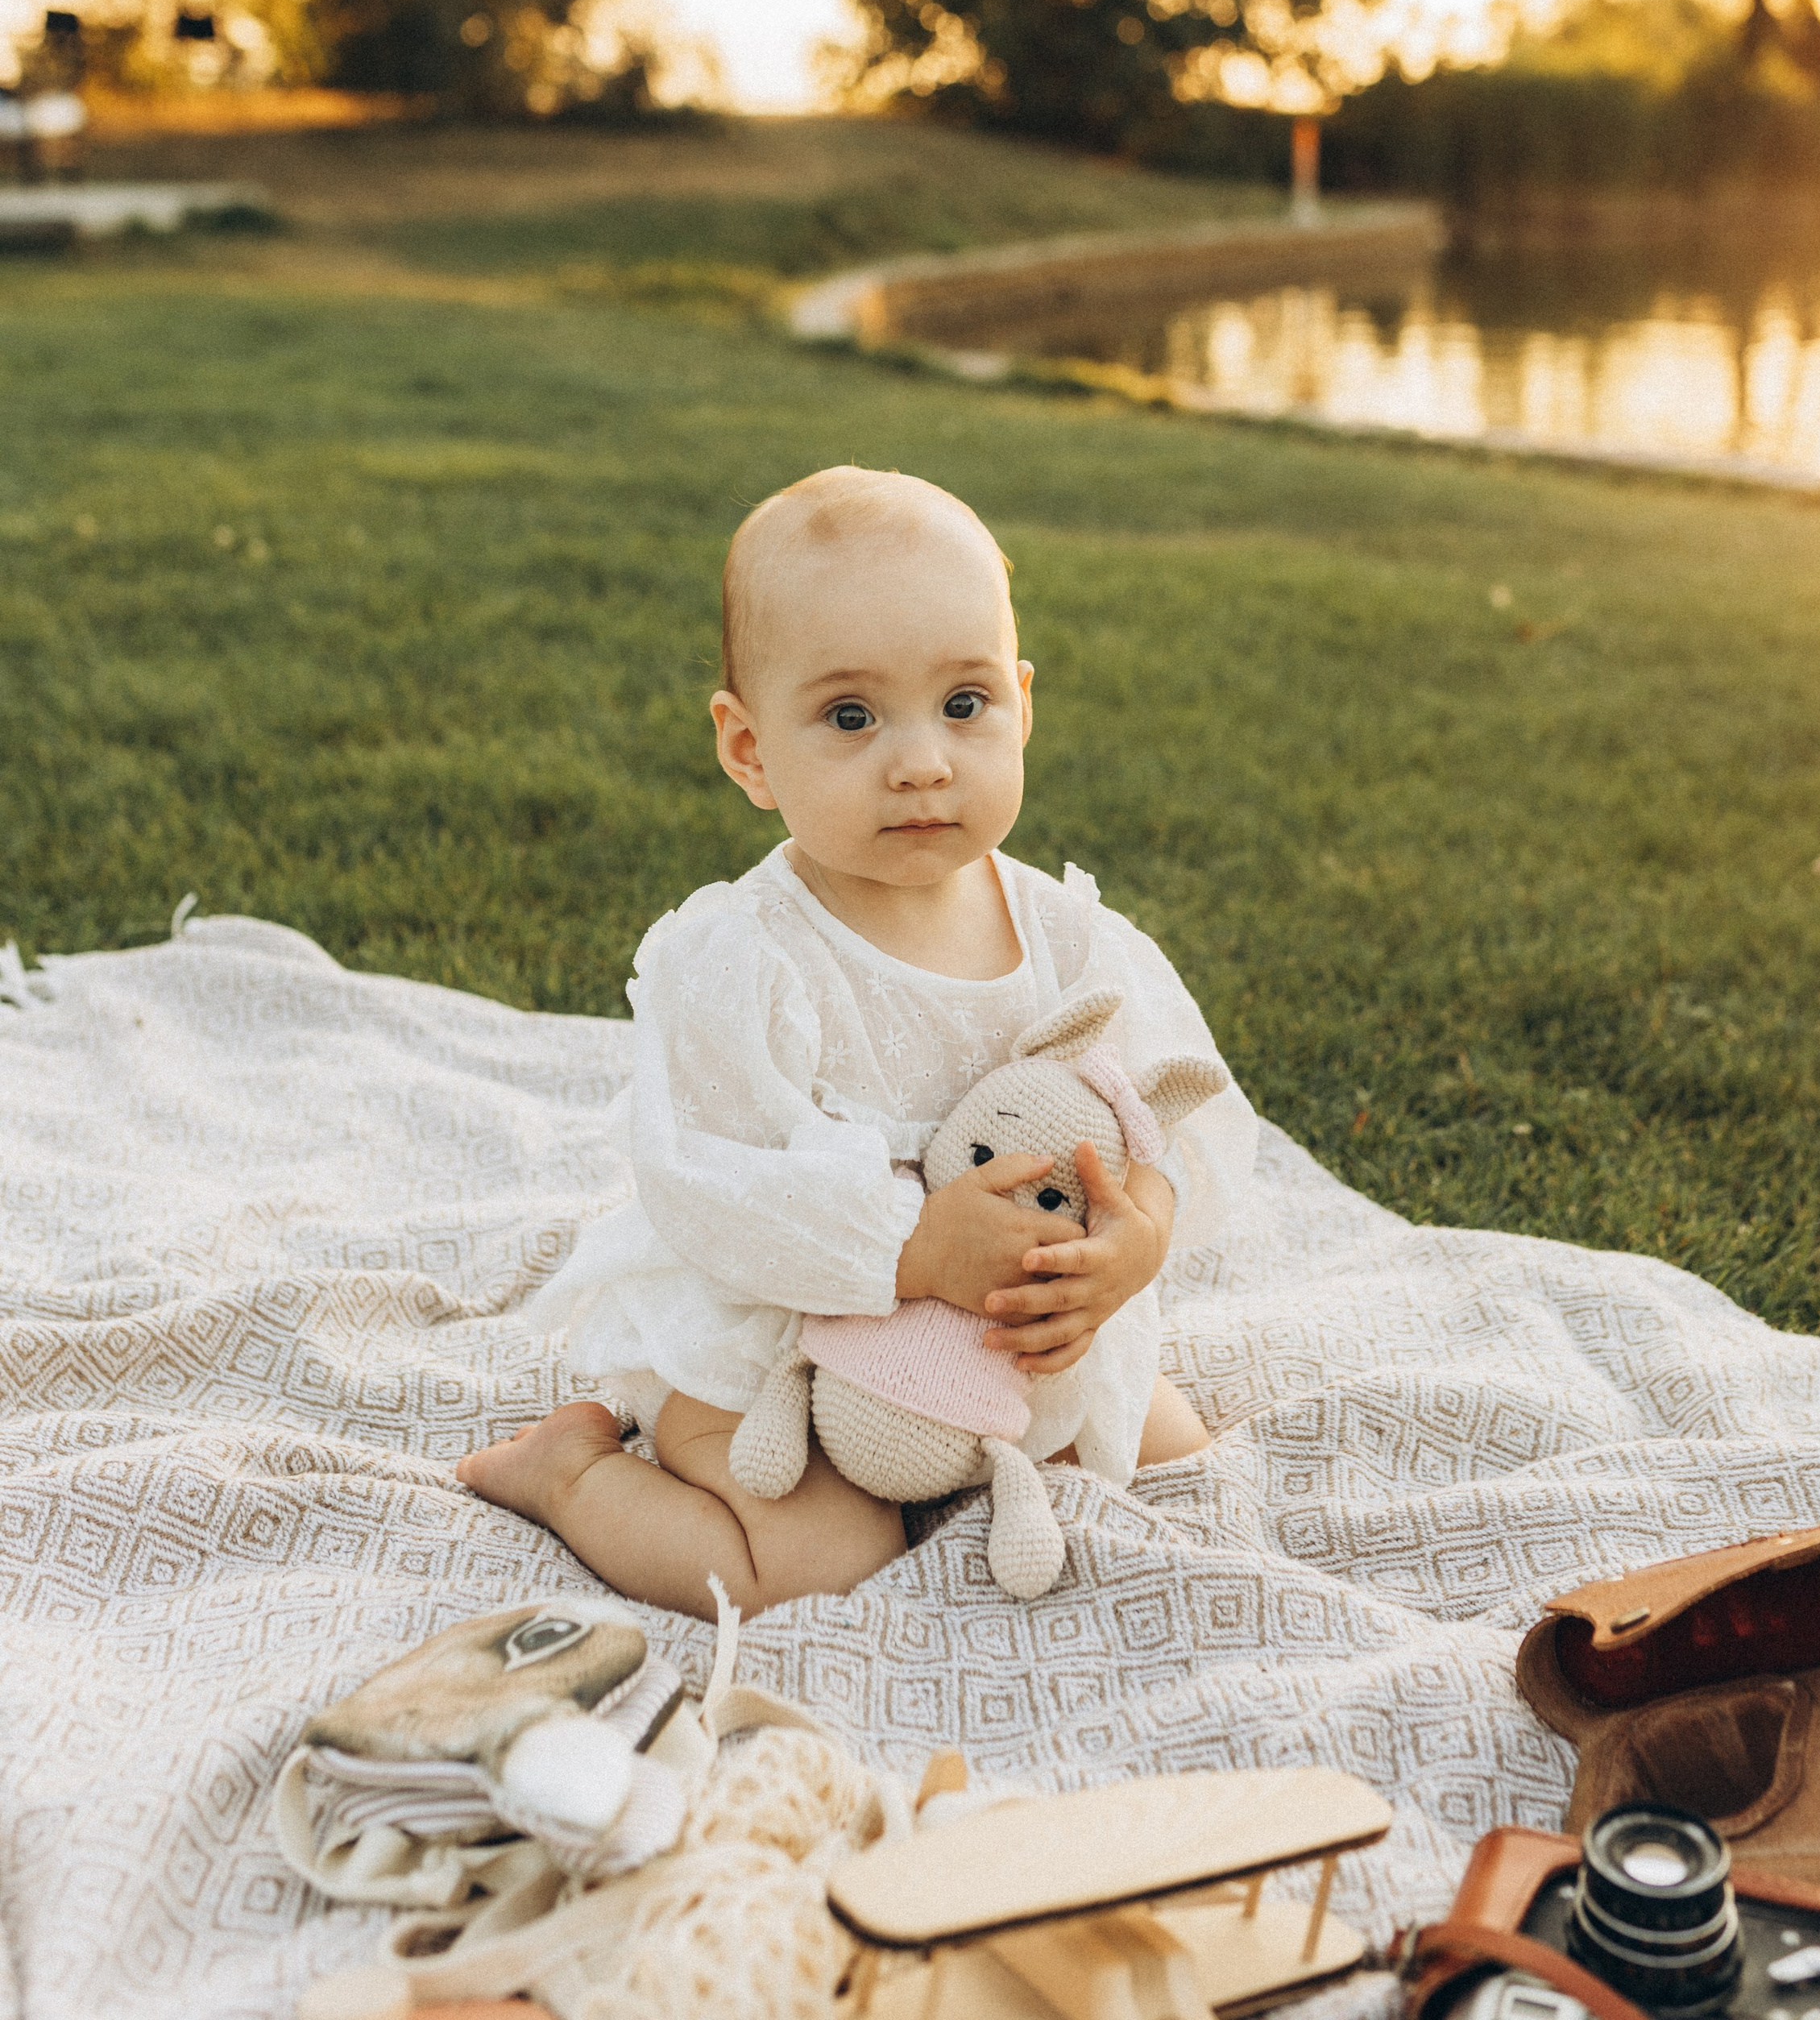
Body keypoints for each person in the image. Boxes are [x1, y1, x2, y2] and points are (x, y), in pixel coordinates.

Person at [457, 466, 1255, 1617]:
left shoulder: (1069, 936)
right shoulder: (749, 959)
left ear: (1023, 706)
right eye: (851, 717)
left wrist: (1138, 1238)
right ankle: (572, 1475)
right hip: (782, 1338)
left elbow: (1165, 1112)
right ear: (749, 750)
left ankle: (984, 1444)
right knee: (815, 1560)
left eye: (965, 704)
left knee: (1167, 1460)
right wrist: (911, 1252)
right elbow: (709, 1184)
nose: (922, 760)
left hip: (999, 1338)